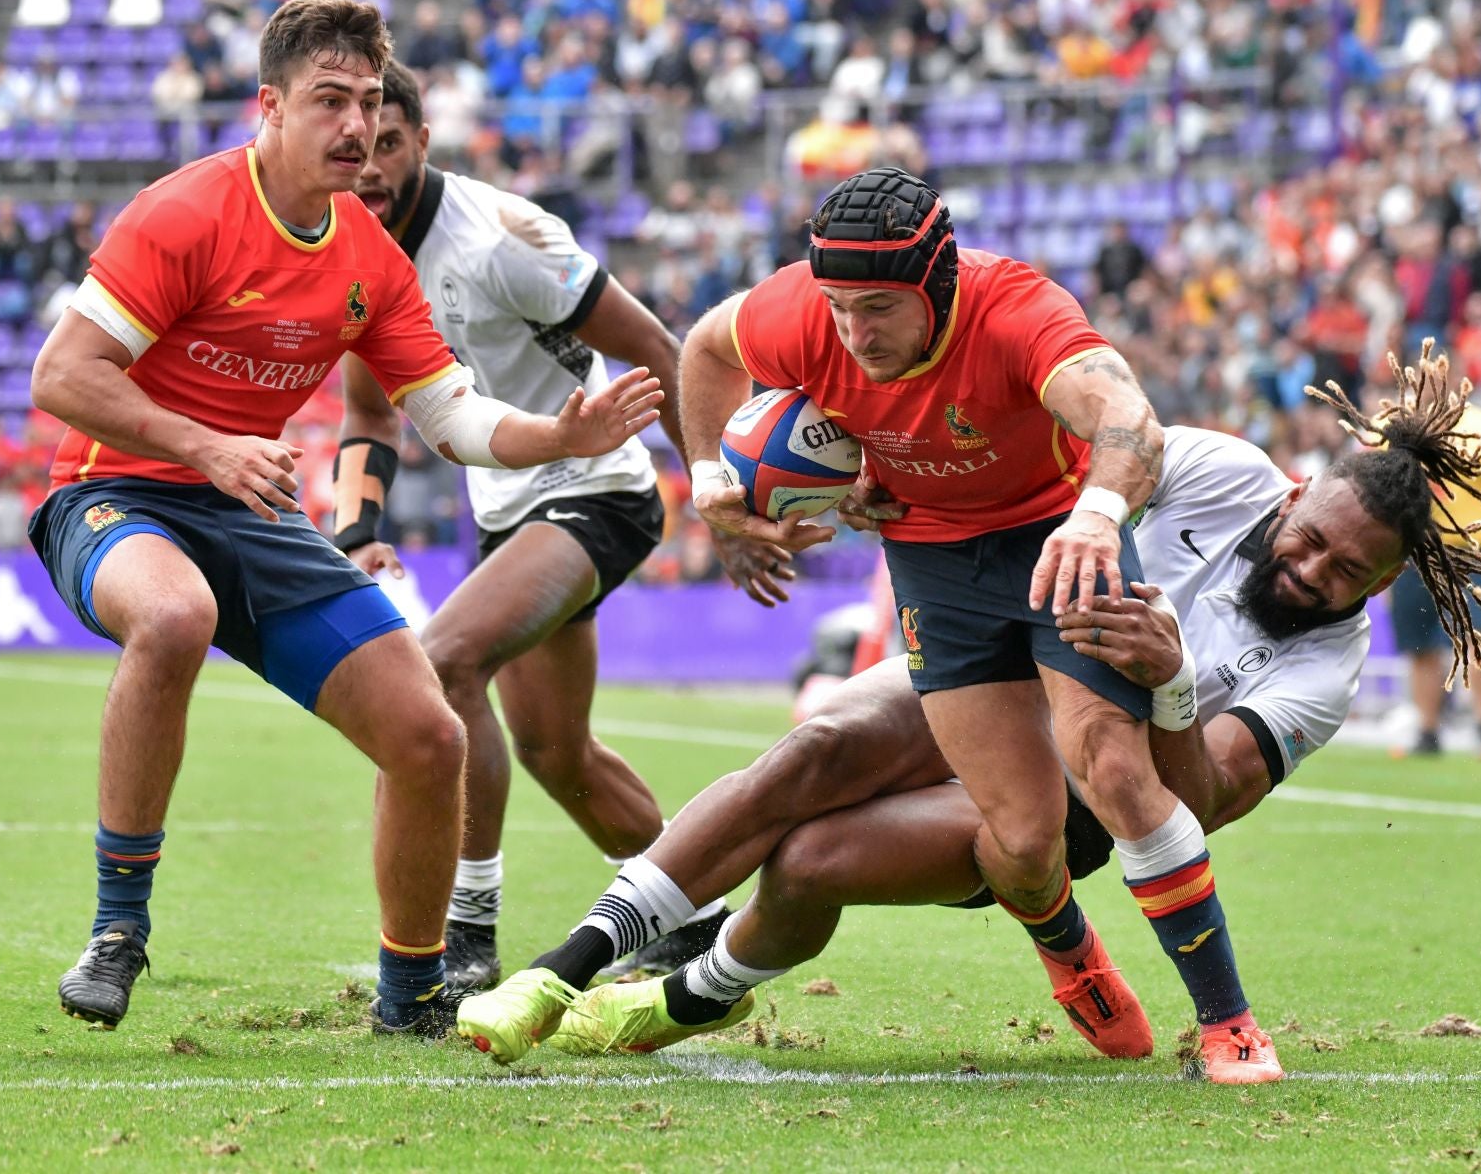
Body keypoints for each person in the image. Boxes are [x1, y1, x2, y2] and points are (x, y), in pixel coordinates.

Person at [497, 355, 1481, 1070]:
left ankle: (705, 992)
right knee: (811, 750)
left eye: (1343, 572)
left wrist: (1171, 685)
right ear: (1295, 495)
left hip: (1079, 797)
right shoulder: (1228, 473)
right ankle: (564, 971)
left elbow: (1207, 802)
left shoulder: (1328, 667)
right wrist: (887, 486)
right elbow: (1066, 470)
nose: (1311, 567)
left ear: (1380, 590)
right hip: (1002, 668)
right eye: (1310, 536)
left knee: (811, 863)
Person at [462, 167, 1282, 1083]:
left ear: (938, 284)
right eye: (840, 307)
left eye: (879, 309)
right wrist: (713, 484)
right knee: (1021, 840)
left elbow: (1130, 417)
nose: (855, 333)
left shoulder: (1016, 311)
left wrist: (1095, 514)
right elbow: (702, 350)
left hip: (1059, 545)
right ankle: (1067, 945)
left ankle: (1230, 1025)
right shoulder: (803, 313)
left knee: (1115, 769)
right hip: (935, 567)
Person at [23, 0, 663, 1037]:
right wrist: (207, 445)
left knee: (427, 730)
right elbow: (63, 375)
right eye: (331, 101)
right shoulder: (186, 210)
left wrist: (562, 438)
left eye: (369, 102)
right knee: (175, 616)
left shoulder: (369, 255)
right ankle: (117, 929)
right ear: (267, 107)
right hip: (114, 492)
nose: (357, 127)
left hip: (249, 506)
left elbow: (448, 414)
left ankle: (410, 1000)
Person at [335, 64, 789, 992]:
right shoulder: (347, 247)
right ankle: (694, 918)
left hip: (599, 488)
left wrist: (721, 502)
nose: (372, 165)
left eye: (391, 142)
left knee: (443, 661)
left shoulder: (502, 238)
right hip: (508, 509)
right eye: (359, 144)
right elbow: (372, 413)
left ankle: (465, 932)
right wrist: (359, 529)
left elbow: (662, 349)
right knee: (556, 753)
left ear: (424, 141)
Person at [1388, 394, 1481, 758]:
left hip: (1469, 546)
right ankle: (1427, 729)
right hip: (1415, 546)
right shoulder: (1395, 425)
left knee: (1480, 635)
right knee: (1420, 645)